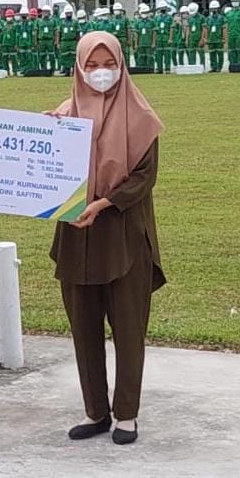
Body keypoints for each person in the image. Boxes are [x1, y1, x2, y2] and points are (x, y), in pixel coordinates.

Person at [49, 31, 164, 446]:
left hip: (123, 233)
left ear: (122, 65)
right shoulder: (64, 115)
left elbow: (143, 178)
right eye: (92, 65)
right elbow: (45, 168)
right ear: (79, 67)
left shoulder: (141, 116)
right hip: (76, 237)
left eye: (109, 64)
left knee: (129, 328)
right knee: (83, 327)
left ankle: (126, 414)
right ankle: (95, 410)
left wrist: (104, 203)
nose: (101, 73)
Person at [58, 8, 80, 75]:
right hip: (64, 42)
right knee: (65, 56)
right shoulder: (62, 23)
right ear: (65, 14)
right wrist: (58, 43)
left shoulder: (75, 22)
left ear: (72, 13)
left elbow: (78, 33)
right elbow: (59, 33)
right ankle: (67, 71)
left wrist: (78, 41)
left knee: (73, 56)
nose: (68, 14)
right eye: (67, 13)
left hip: (73, 41)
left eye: (70, 13)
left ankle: (74, 71)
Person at [205, 0, 225, 72]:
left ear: (218, 9)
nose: (214, 10)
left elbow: (224, 29)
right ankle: (213, 67)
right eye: (212, 9)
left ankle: (219, 67)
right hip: (211, 39)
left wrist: (224, 38)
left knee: (220, 54)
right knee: (212, 54)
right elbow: (206, 29)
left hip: (219, 39)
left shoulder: (222, 18)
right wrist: (206, 38)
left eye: (215, 8)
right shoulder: (208, 19)